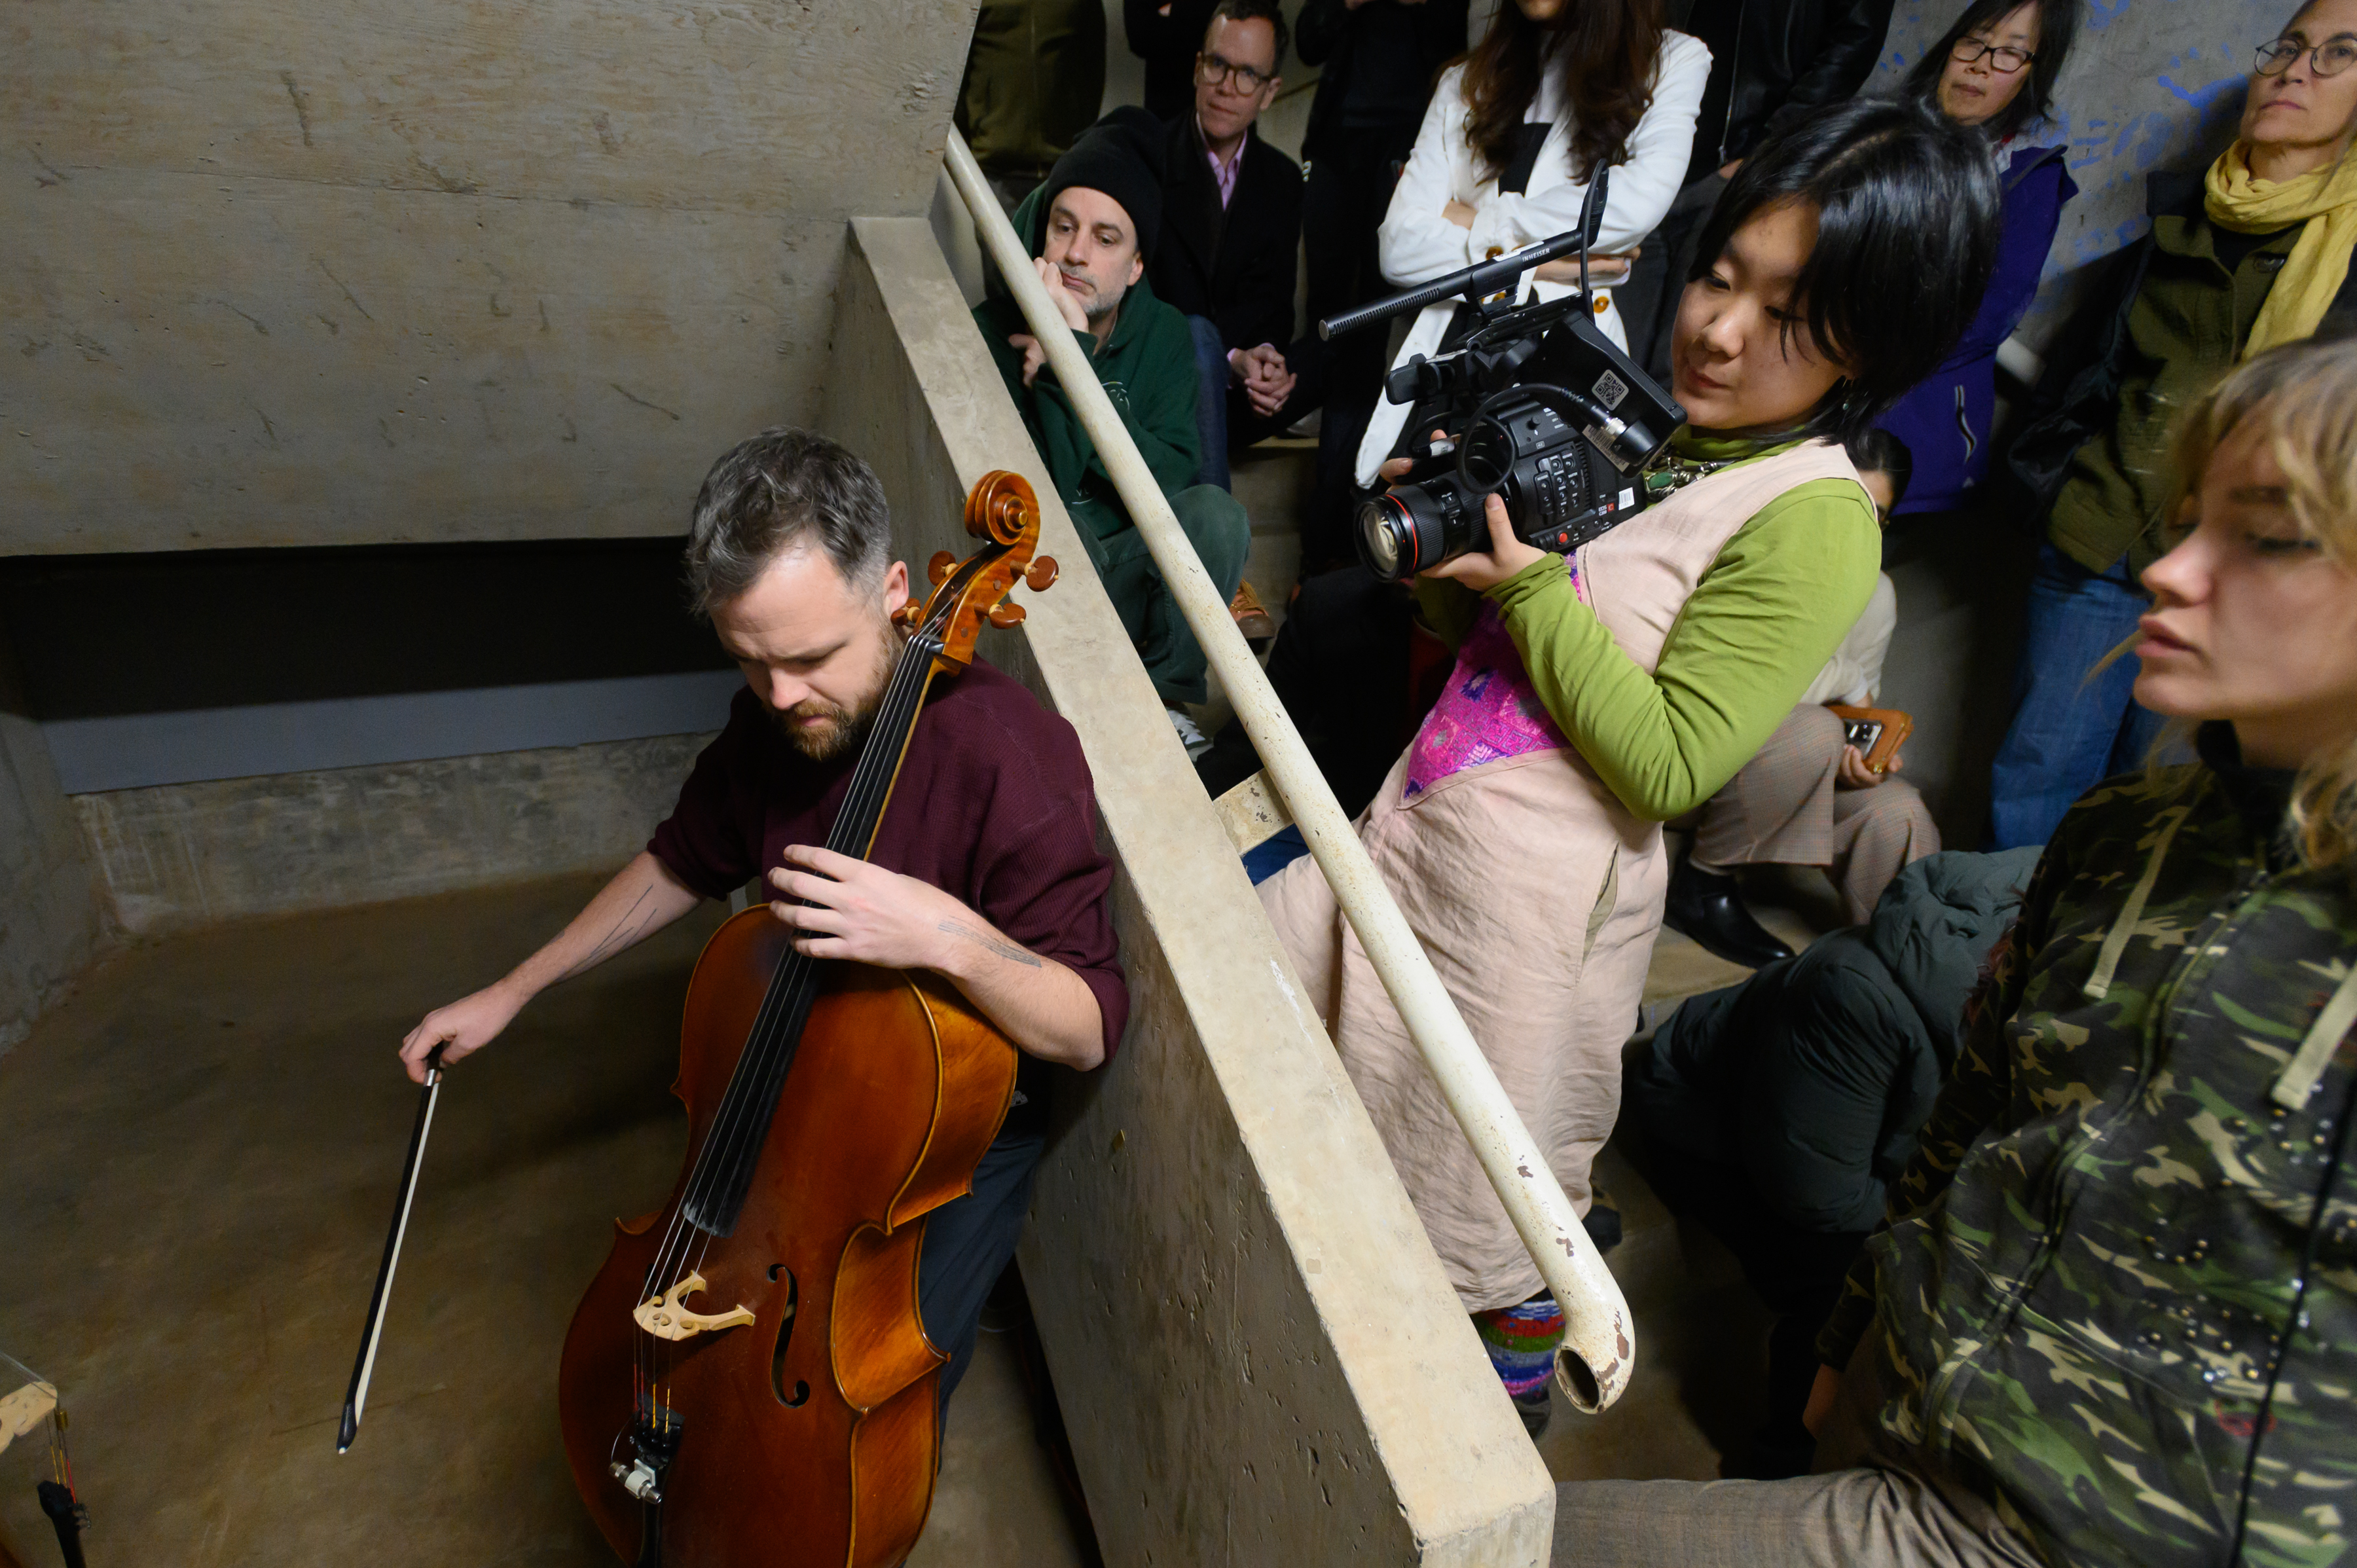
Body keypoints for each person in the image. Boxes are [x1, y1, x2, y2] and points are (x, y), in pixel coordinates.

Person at [1552, 329, 2357, 1568]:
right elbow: (1967, 1128)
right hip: (1911, 1398)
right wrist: (1843, 1348)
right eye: (2187, 521)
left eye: (2268, 536)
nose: (2171, 572)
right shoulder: (2122, 834)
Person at [1259, 100, 2001, 1437]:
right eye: (1720, 275)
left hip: (1533, 913)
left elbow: (1666, 764)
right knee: (1314, 1062)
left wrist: (1533, 587)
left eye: (1789, 312)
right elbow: (1496, 641)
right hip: (1430, 825)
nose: (1719, 327)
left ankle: (1489, 1425)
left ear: (1870, 341)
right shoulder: (1668, 432)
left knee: (1487, 1200)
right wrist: (1457, 560)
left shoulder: (1818, 518)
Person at [395, 429, 1127, 1426]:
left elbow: (1085, 1024)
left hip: (941, 1133)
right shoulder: (775, 724)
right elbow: (681, 859)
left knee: (851, 1409)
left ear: (898, 590)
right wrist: (513, 988)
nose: (782, 697)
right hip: (795, 1076)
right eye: (750, 662)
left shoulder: (1012, 760)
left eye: (811, 657)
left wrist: (944, 932)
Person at [1987, 0, 2357, 850]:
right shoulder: (2181, 218)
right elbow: (2094, 366)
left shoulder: (2344, 255)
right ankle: (1992, 974)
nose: (2297, 70)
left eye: (2337, 55)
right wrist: (2055, 480)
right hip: (2100, 534)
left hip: (2239, 572)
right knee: (2035, 781)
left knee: (2162, 801)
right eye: (2289, 47)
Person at [1628, 845, 2040, 1480]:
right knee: (1848, 1267)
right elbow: (1817, 1193)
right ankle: (1785, 1461)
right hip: (1700, 1110)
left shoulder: (2064, 937)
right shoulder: (1860, 997)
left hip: (1839, 1128)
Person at [970, 109, 1254, 752]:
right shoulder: (986, 330)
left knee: (1218, 515)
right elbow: (1050, 482)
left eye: (1105, 239)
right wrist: (1053, 364)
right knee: (1064, 532)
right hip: (1039, 577)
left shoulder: (1164, 335)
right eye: (1064, 227)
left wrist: (1074, 370)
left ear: (1134, 267)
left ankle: (1163, 698)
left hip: (1127, 571)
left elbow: (1170, 479)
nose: (1075, 253)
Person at [1354, 0, 1711, 485]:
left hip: (1566, 363)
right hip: (1451, 357)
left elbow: (1632, 208)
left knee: (1548, 540)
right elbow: (1397, 246)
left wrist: (1479, 221)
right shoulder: (1465, 81)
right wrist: (1541, 264)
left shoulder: (1671, 61)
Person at [1667, 429, 1939, 967]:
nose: (1856, 525)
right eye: (1846, 499)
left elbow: (1852, 711)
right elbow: (1723, 694)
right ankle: (1702, 885)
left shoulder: (1877, 593)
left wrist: (1858, 761)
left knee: (1899, 812)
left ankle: (1906, 975)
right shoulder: (1745, 551)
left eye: (1875, 515)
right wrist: (1841, 680)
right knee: (1813, 731)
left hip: (1786, 774)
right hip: (1691, 767)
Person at [1613, 0, 1896, 384]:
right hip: (1653, 149)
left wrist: (1766, 153)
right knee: (1616, 332)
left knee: (1686, 357)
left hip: (1736, 165)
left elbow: (1853, 44)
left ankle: (1656, 442)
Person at [1874, 0, 2079, 517]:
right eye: (1974, 41)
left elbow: (1983, 318)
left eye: (2010, 54)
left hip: (1909, 411)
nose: (1982, 64)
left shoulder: (2028, 179)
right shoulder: (1879, 136)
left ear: (2035, 74)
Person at [1296, 0, 1472, 569]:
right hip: (1337, 140)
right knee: (1327, 311)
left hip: (1405, 145)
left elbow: (1458, 42)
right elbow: (1308, 39)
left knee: (1373, 329)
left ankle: (1331, 541)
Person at [1147, 0, 1315, 492]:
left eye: (1247, 75)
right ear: (1198, 67)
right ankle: (1210, 555)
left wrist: (1263, 361)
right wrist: (1227, 358)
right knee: (1198, 335)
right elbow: (1148, 306)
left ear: (1269, 93)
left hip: (1235, 393)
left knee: (1337, 349)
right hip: (1157, 381)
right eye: (1218, 65)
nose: (1226, 87)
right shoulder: (1150, 155)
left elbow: (1272, 305)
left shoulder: (1284, 180)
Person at [953, 0, 1110, 216]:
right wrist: (977, 141)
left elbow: (1093, 67)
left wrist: (1078, 137)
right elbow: (957, 73)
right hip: (996, 168)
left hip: (1062, 165)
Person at [1124, 0, 1221, 122]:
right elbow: (1139, 36)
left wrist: (1176, 10)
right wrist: (1201, 22)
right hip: (1166, 106)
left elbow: (1238, 13)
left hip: (1224, 95)